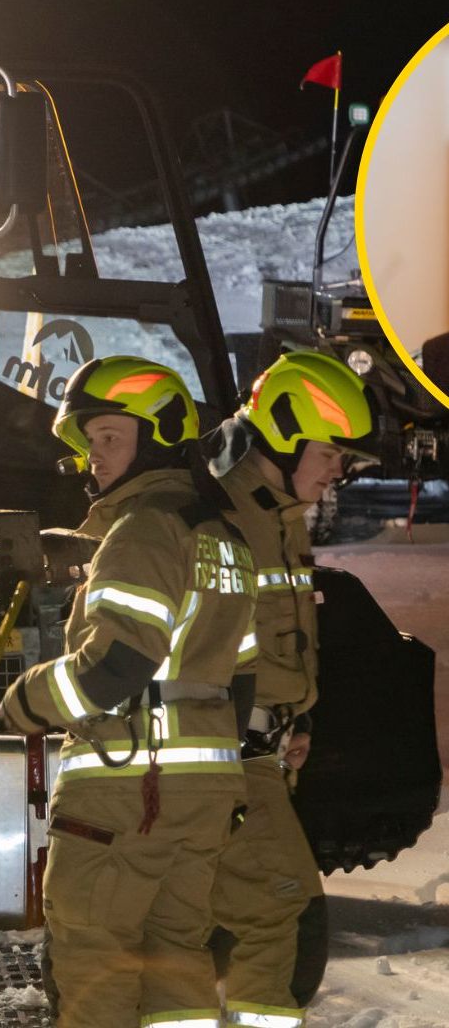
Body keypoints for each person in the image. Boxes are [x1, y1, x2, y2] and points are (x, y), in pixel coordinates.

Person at [0, 355, 258, 1028]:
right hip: (204, 797)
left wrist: (24, 700)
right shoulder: (226, 539)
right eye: (90, 441)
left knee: (96, 959)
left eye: (111, 436)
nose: (95, 456)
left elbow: (115, 667)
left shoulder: (140, 529)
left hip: (126, 791)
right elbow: (242, 674)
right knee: (178, 958)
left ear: (161, 435)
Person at [206, 350, 379, 1027]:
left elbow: (274, 639)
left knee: (216, 928)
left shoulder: (278, 515)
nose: (339, 469)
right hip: (223, 762)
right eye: (330, 452)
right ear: (283, 434)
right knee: (288, 922)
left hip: (263, 755)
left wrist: (291, 721)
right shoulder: (223, 516)